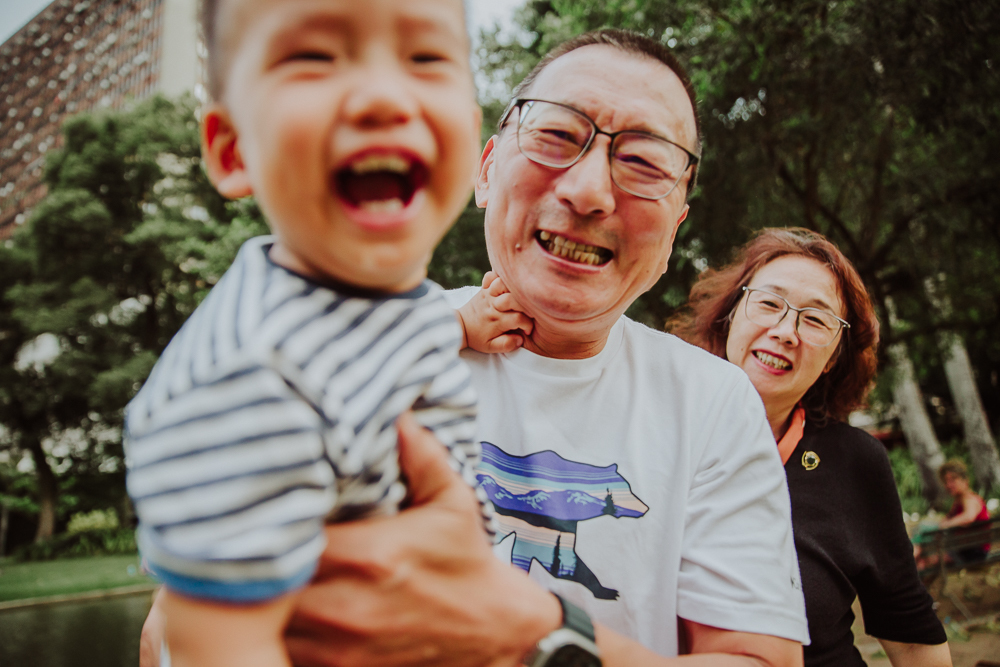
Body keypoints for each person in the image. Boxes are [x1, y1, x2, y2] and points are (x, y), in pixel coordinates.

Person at [272, 29, 812, 667]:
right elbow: (189, 623)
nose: (588, 192)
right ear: (485, 169)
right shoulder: (348, 341)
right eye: (557, 135)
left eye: (644, 163)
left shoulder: (715, 403)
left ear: (675, 227)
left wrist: (543, 636)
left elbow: (760, 659)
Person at [124, 0, 493, 665]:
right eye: (312, 57)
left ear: (470, 141)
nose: (384, 96)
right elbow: (225, 649)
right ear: (234, 150)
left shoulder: (395, 306)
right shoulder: (240, 381)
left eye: (426, 58)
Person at [667, 227, 951, 667]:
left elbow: (910, 632)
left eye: (816, 319)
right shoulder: (647, 429)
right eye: (768, 302)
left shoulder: (855, 461)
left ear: (833, 358)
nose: (785, 331)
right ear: (730, 315)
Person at [915, 459, 991, 568]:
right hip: (963, 549)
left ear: (965, 480)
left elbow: (969, 517)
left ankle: (908, 560)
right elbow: (946, 519)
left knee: (923, 557)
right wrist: (941, 525)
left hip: (972, 553)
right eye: (946, 481)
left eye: (953, 480)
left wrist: (945, 525)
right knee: (922, 548)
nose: (949, 485)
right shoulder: (959, 501)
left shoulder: (970, 499)